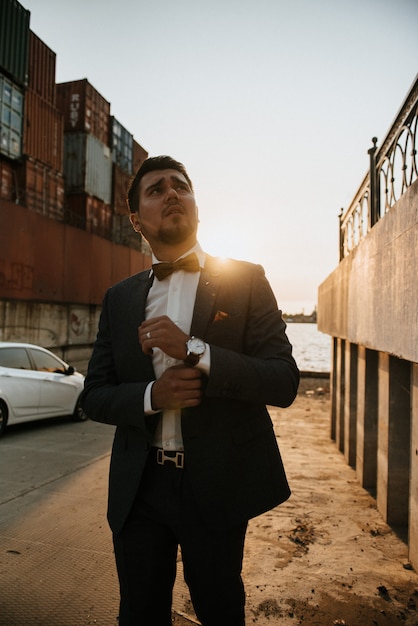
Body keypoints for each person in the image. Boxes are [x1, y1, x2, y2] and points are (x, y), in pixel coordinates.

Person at [81, 155, 299, 626]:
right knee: (139, 613)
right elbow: (94, 394)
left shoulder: (246, 279)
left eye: (181, 185)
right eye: (156, 189)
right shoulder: (119, 299)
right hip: (140, 487)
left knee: (221, 610)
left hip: (217, 482)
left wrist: (196, 351)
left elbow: (283, 380)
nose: (172, 193)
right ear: (137, 220)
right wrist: (151, 397)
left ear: (197, 206)